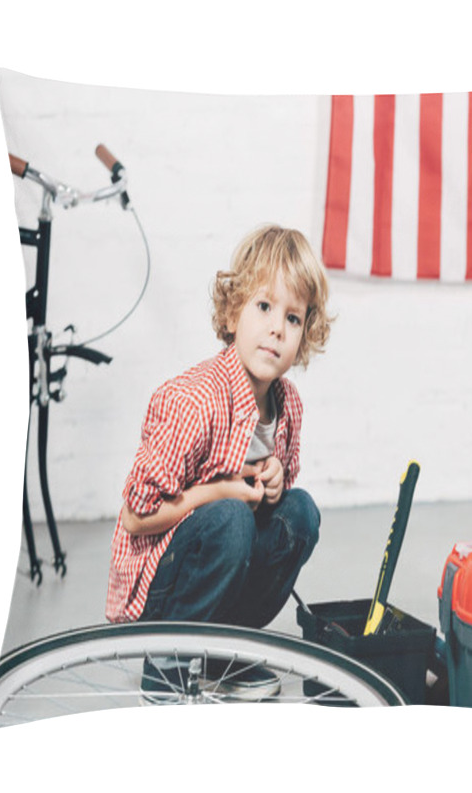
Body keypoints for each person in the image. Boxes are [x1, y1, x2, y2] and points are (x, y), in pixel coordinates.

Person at [105, 224, 332, 700]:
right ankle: (166, 662)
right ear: (233, 313)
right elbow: (134, 515)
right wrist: (222, 491)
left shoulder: (287, 406)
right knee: (229, 519)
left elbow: (273, 504)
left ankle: (224, 649)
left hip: (224, 569)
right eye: (264, 307)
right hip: (163, 591)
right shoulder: (195, 401)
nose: (276, 328)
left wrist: (274, 484)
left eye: (293, 318)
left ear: (305, 334)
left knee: (300, 511)